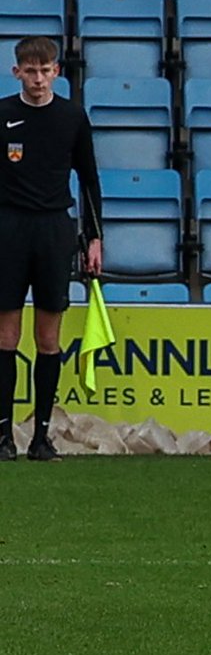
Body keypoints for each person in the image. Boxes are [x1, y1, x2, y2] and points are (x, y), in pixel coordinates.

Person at [0, 36, 102, 463]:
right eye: (30, 70)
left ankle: (42, 436)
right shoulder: (3, 114)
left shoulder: (72, 117)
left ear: (57, 72)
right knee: (6, 336)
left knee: (48, 337)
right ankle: (3, 436)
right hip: (8, 229)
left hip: (55, 231)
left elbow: (89, 179)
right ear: (16, 72)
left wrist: (94, 238)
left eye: (45, 71)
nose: (38, 79)